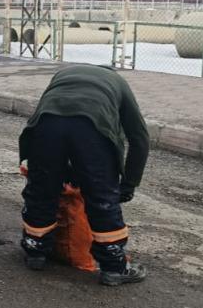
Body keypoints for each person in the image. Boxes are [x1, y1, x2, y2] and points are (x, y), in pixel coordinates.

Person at [18, 64, 150, 286]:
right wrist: (128, 185)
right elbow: (139, 139)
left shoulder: (63, 74)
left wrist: (48, 171)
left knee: (41, 191)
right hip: (92, 128)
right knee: (101, 198)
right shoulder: (118, 82)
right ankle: (114, 267)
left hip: (45, 125)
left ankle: (36, 252)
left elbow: (60, 123)